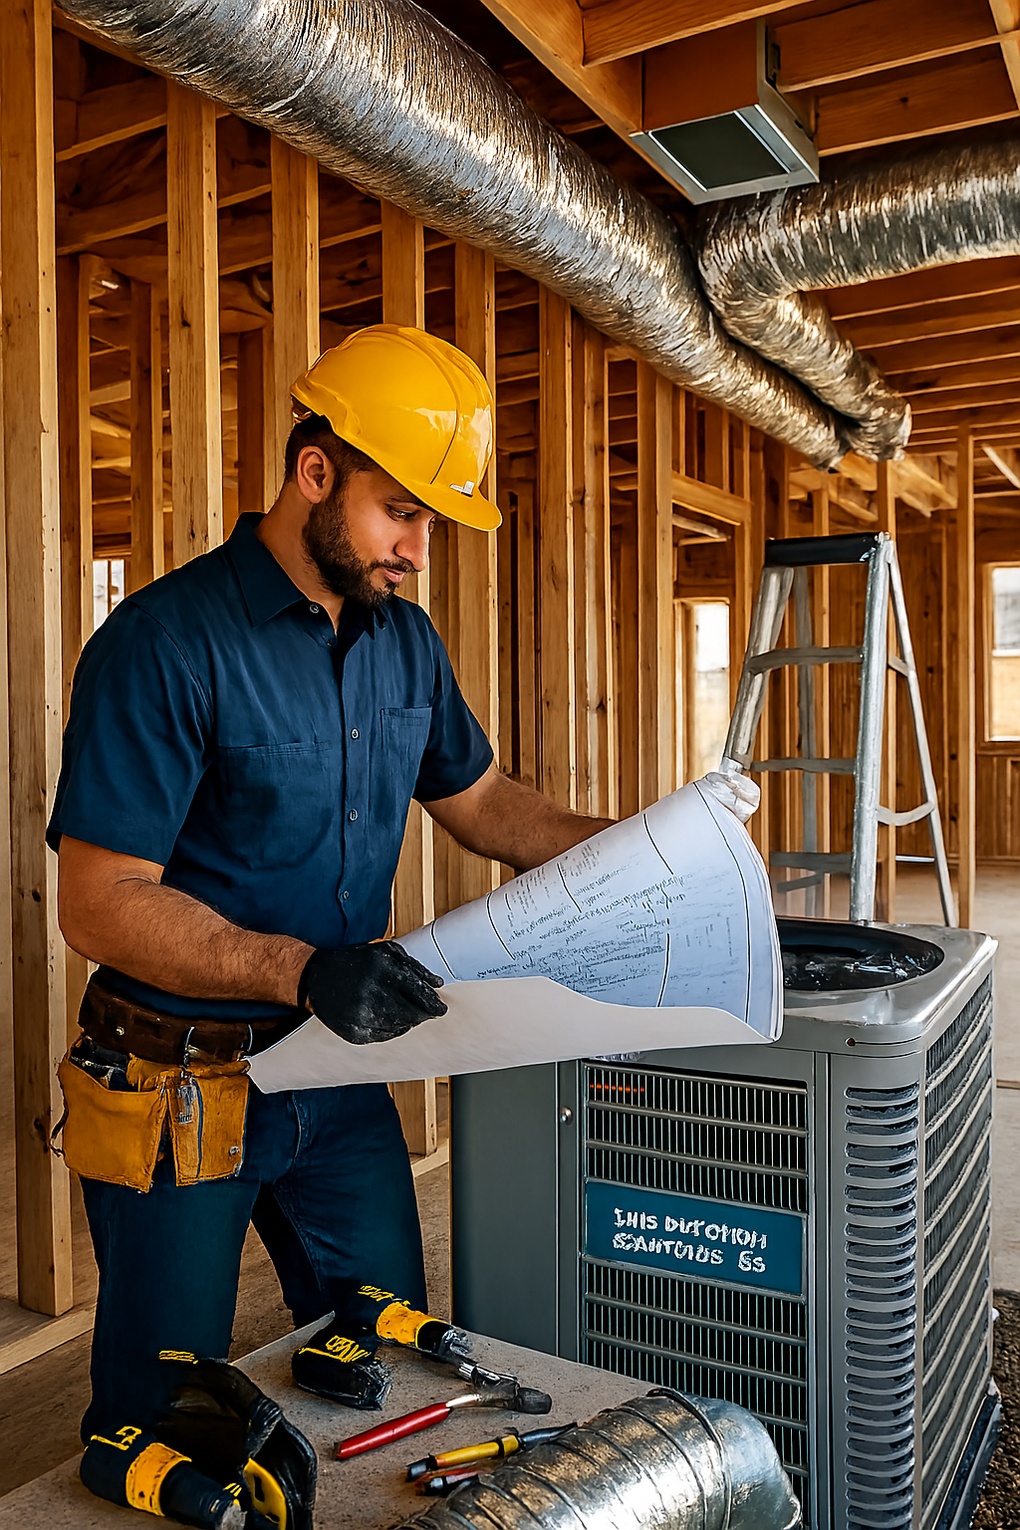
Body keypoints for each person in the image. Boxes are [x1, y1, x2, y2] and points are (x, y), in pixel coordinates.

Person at [48, 324, 620, 1509]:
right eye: (399, 514)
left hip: (333, 1078)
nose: (419, 551)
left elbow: (481, 803)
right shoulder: (164, 644)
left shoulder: (403, 640)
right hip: (178, 1090)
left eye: (431, 524)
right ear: (315, 473)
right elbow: (100, 906)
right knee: (174, 1423)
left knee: (393, 1365)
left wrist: (648, 847)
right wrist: (302, 966)